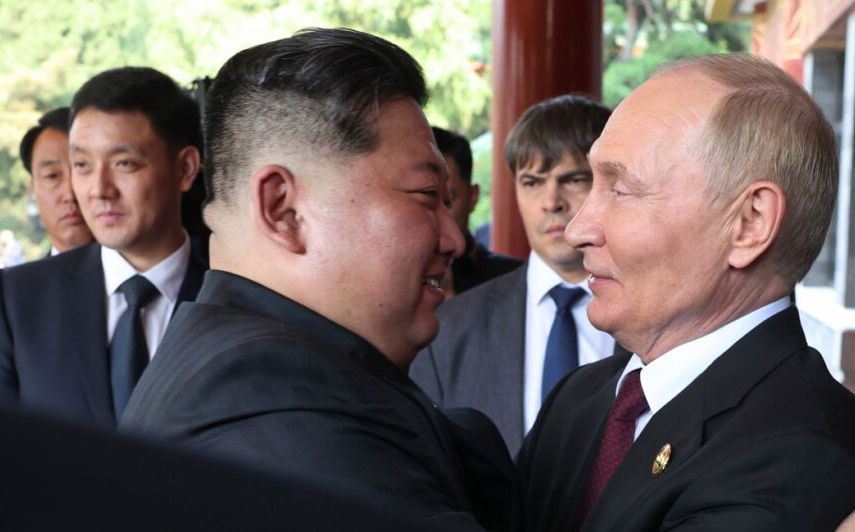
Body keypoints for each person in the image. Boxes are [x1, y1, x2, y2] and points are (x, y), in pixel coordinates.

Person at [121, 28, 514, 530]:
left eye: (448, 202)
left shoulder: (270, 363)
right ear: (283, 210)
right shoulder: (263, 398)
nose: (453, 240)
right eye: (424, 194)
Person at [516, 54, 855, 531]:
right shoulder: (583, 397)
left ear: (749, 223)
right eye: (594, 184)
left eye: (621, 190)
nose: (576, 230)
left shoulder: (801, 454)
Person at [0, 67, 207, 427]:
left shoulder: (243, 291)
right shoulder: (15, 300)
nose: (98, 189)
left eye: (124, 163)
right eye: (82, 165)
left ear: (185, 169)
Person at [412, 95, 619, 454]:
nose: (550, 202)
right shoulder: (447, 331)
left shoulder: (667, 317)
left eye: (572, 179)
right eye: (532, 182)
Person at [432, 126, 521, 297]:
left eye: (448, 202)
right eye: (423, 198)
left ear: (473, 197)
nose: (435, 217)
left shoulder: (513, 279)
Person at [18, 107, 94, 255]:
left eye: (82, 167)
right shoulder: (16, 278)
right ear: (33, 188)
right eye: (52, 176)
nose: (70, 194)